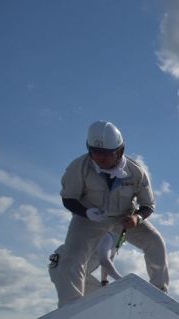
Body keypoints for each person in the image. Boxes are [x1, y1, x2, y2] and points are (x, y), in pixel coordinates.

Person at [54, 121, 169, 307]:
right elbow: (68, 198)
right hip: (88, 219)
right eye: (95, 152)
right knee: (71, 258)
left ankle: (159, 295)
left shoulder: (136, 172)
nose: (100, 158)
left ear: (120, 151)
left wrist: (136, 217)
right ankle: (70, 307)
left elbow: (148, 204)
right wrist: (86, 212)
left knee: (155, 242)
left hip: (124, 219)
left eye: (106, 154)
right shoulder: (79, 167)